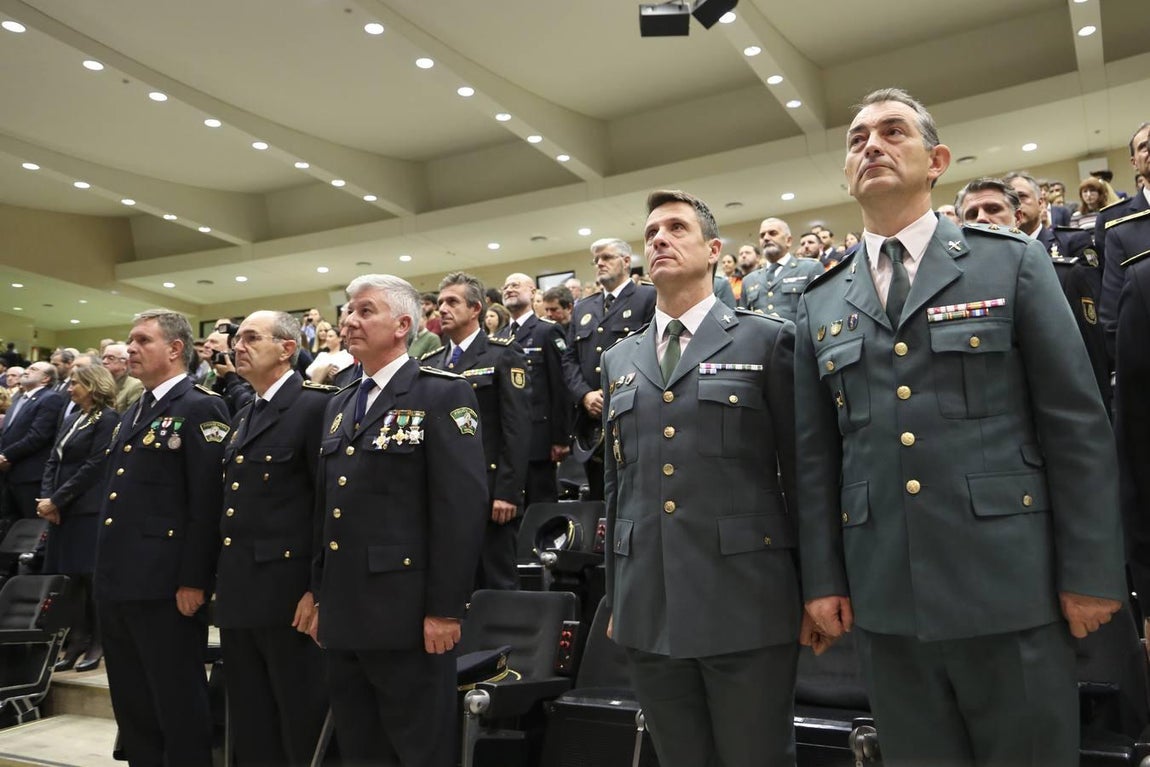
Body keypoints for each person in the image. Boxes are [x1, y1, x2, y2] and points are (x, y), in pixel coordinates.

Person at [795, 87, 1125, 767]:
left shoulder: (1009, 261)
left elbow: (1076, 424)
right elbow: (815, 457)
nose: (872, 146)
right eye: (857, 139)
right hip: (887, 601)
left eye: (892, 132)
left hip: (1009, 585)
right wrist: (823, 579)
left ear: (936, 159)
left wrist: (1091, 569)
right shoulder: (821, 298)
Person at [603, 189, 802, 767]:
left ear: (714, 250)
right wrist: (618, 593)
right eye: (651, 234)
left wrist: (816, 587)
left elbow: (802, 472)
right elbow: (618, 484)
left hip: (746, 597)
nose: (659, 239)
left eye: (675, 229)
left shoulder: (766, 339)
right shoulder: (621, 357)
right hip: (647, 603)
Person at [306, 274, 487, 767]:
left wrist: (446, 608)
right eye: (348, 310)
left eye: (366, 311)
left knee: (418, 749)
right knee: (361, 748)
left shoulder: (440, 394)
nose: (350, 320)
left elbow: (461, 508)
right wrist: (319, 592)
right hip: (344, 612)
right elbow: (329, 508)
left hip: (407, 613)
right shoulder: (340, 403)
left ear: (403, 324)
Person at [96, 309, 230, 766]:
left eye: (142, 340)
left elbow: (207, 502)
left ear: (175, 349)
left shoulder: (200, 405)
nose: (130, 348)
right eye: (129, 340)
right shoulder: (135, 410)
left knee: (176, 700)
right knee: (133, 704)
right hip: (119, 580)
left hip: (166, 585)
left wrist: (195, 579)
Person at [217, 311, 334, 766]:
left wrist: (317, 590)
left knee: (298, 718)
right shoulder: (247, 411)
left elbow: (327, 506)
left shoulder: (314, 406)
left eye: (251, 338)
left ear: (287, 348)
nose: (237, 346)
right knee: (250, 722)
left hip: (289, 595)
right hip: (241, 589)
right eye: (237, 339)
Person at [424, 272, 530, 589]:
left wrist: (508, 492)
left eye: (452, 302)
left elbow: (517, 428)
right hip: (441, 492)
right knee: (450, 581)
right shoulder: (431, 363)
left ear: (476, 309)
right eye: (440, 302)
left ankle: (504, 640)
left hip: (488, 489)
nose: (442, 308)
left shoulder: (502, 354)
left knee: (495, 579)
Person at [38, 364, 119, 673]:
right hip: (61, 510)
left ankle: (97, 643)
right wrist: (47, 499)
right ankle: (76, 641)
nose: (70, 388)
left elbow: (95, 465)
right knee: (69, 580)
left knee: (89, 578)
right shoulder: (73, 417)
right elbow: (52, 460)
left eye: (76, 383)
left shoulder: (108, 418)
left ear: (93, 385)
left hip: (87, 508)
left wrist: (57, 499)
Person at [562, 238, 656, 500]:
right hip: (592, 424)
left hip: (631, 414)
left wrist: (616, 393)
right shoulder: (583, 307)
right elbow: (569, 359)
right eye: (596, 260)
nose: (600, 263)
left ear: (626, 261)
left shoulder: (647, 297)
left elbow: (652, 352)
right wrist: (584, 395)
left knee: (635, 497)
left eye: (606, 257)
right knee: (599, 498)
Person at [499, 273, 571, 508]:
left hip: (538, 439)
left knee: (541, 509)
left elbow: (560, 386)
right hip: (505, 442)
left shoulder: (546, 331)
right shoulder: (498, 338)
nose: (509, 289)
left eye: (516, 285)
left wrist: (560, 438)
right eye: (506, 286)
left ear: (532, 292)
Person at [0, 362, 64, 521]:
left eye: (33, 369)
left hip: (29, 474)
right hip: (9, 472)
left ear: (46, 379)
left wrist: (6, 455)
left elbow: (37, 436)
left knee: (29, 525)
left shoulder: (51, 398)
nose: (27, 371)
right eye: (28, 368)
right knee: (8, 524)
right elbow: (8, 433)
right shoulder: (20, 398)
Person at [739, 217, 824, 322]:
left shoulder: (810, 268)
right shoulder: (749, 280)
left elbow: (821, 313)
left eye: (773, 233)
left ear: (788, 240)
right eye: (762, 235)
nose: (766, 238)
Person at [102, 343, 145, 413]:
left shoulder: (135, 386)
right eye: (103, 358)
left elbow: (130, 417)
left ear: (126, 363)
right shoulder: (102, 384)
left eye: (110, 358)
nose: (104, 362)